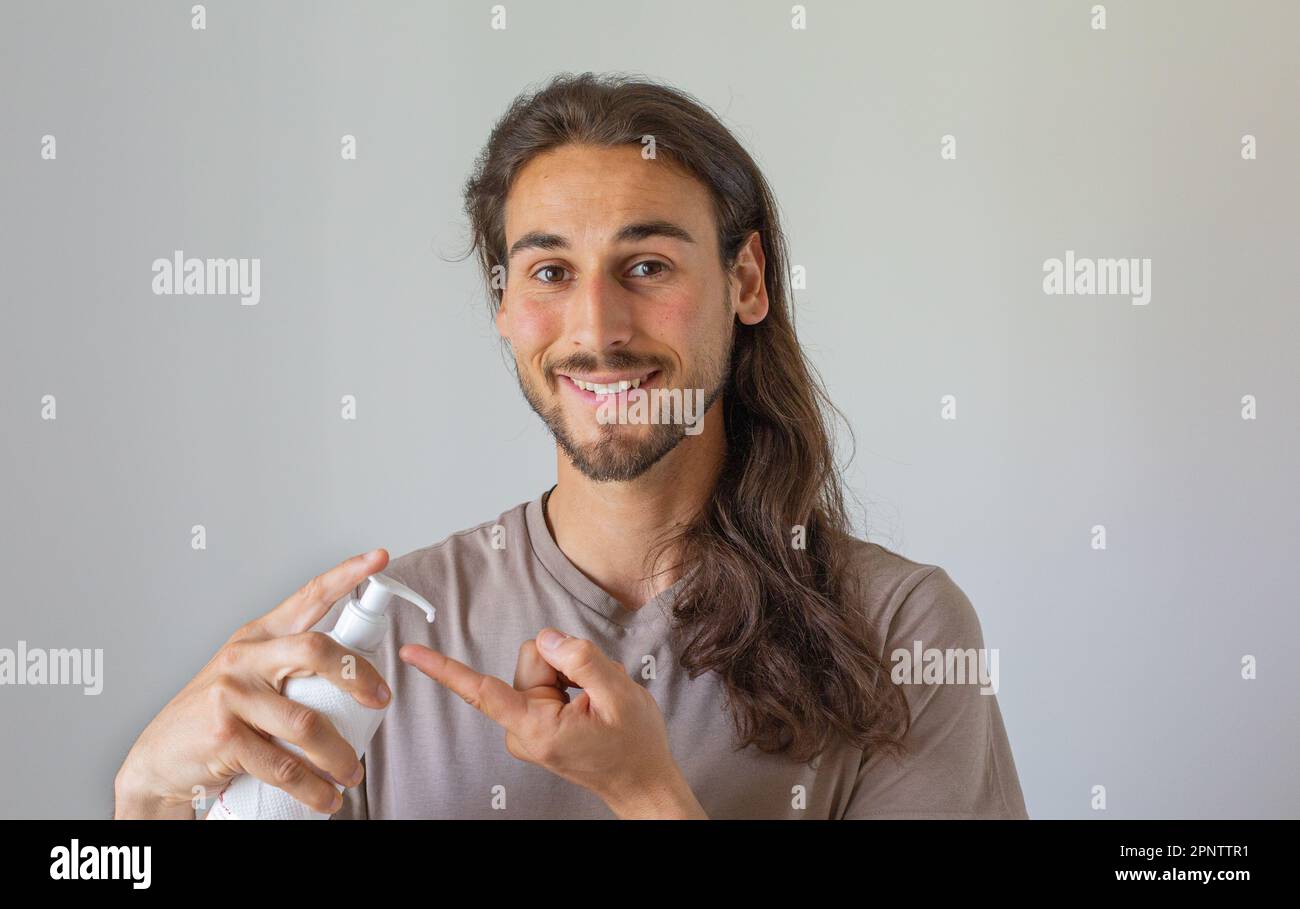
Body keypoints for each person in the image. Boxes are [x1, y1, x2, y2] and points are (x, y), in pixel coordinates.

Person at [113, 72, 1028, 820]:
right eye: (552, 272)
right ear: (504, 306)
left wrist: (648, 794)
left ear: (745, 280)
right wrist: (144, 805)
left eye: (647, 266)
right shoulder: (387, 636)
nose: (598, 328)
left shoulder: (902, 628)